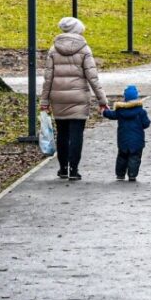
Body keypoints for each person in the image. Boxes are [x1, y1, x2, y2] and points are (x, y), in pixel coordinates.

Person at [41, 16, 109, 180]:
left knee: (62, 133)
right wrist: (102, 101)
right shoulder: (84, 49)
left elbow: (48, 78)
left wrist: (44, 101)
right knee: (76, 134)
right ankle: (74, 169)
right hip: (79, 98)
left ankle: (63, 168)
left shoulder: (53, 49)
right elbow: (93, 78)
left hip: (58, 98)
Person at [102, 84, 151, 182]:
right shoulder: (141, 112)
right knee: (135, 157)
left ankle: (120, 174)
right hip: (137, 141)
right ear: (136, 97)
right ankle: (132, 174)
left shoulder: (120, 111)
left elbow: (111, 114)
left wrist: (104, 111)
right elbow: (146, 124)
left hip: (123, 139)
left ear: (125, 98)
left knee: (122, 157)